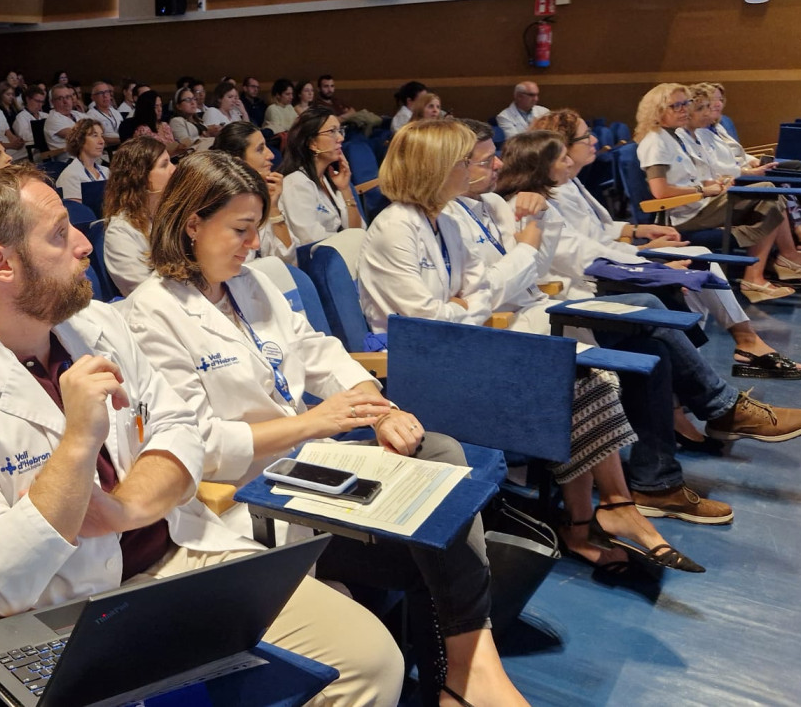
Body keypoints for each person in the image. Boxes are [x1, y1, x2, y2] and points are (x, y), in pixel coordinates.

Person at [0, 165, 405, 705]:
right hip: (68, 615)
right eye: (59, 234)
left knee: (369, 662)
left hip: (182, 557)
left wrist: (125, 510)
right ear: (1, 263)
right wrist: (77, 442)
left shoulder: (97, 325)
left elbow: (180, 431)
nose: (84, 243)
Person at [122, 151, 530, 706]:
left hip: (308, 469)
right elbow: (198, 445)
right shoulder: (150, 312)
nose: (254, 245)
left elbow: (319, 352)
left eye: (258, 229)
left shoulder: (250, 284)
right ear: (192, 223)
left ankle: (469, 665)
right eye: (241, 230)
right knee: (436, 543)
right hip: (247, 497)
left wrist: (380, 410)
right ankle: (465, 676)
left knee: (436, 452)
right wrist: (311, 423)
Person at [361, 120, 801, 526]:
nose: (484, 168)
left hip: (486, 329)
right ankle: (715, 413)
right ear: (439, 168)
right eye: (469, 162)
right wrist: (476, 296)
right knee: (641, 322)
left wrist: (470, 299)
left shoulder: (445, 219)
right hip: (447, 356)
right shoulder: (397, 226)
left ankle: (659, 479)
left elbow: (479, 290)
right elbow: (434, 319)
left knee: (649, 342)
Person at [423, 120, 707, 578]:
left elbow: (519, 275)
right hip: (477, 344)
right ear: (448, 166)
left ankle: (609, 507)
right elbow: (482, 293)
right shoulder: (436, 219)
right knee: (584, 375)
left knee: (628, 353)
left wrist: (533, 224)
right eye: (484, 160)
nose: (498, 165)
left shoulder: (486, 205)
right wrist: (520, 251)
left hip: (518, 318)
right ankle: (606, 510)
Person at [532, 108, 801, 383]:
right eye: (586, 136)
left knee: (700, 259)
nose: (594, 140)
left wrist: (638, 230)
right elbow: (583, 250)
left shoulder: (571, 183)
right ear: (562, 148)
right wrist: (646, 257)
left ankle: (721, 354)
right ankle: (712, 361)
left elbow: (595, 230)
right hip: (594, 275)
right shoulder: (551, 196)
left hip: (614, 257)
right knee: (694, 268)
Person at [635, 83, 801, 301]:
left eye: (686, 103)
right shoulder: (656, 142)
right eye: (676, 106)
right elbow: (660, 192)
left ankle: (759, 276)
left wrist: (717, 184)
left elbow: (695, 175)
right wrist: (703, 190)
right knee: (767, 191)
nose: (684, 109)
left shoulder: (675, 137)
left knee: (770, 199)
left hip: (702, 203)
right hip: (685, 214)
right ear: (657, 110)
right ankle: (769, 270)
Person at [687, 83, 801, 247]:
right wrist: (750, 171)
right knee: (782, 180)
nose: (717, 104)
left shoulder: (717, 127)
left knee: (791, 169)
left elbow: (737, 152)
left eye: (720, 99)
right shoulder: (697, 132)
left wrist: (752, 161)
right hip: (731, 180)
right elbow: (717, 168)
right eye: (711, 102)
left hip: (738, 172)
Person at [212, 121, 295, 264]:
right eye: (260, 149)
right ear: (237, 162)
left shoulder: (266, 196)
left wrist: (273, 208)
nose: (271, 155)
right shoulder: (220, 209)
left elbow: (290, 261)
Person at [101, 137, 176, 296]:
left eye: (170, 162)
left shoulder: (173, 212)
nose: (174, 169)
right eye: (164, 165)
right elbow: (143, 293)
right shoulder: (120, 231)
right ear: (140, 177)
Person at [278, 106, 360, 244]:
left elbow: (358, 231)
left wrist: (345, 189)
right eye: (332, 131)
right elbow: (312, 240)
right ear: (312, 143)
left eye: (340, 130)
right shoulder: (296, 183)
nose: (340, 138)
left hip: (345, 250)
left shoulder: (333, 177)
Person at [53, 120, 108, 203]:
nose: (102, 141)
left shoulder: (106, 171)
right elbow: (76, 209)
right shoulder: (70, 175)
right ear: (80, 140)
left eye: (102, 136)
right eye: (95, 136)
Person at [124, 90, 184, 156]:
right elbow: (143, 155)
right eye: (155, 107)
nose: (160, 109)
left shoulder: (165, 125)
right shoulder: (142, 130)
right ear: (147, 108)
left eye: (160, 105)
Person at [42, 83, 84, 159]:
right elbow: (77, 136)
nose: (65, 101)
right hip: (70, 161)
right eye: (60, 98)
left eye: (68, 97)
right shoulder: (53, 119)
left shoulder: (77, 114)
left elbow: (98, 129)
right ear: (52, 102)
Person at [82, 80, 123, 150]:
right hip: (105, 151)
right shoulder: (91, 115)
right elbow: (98, 138)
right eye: (101, 93)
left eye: (107, 92)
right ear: (93, 97)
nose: (105, 96)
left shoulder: (115, 112)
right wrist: (123, 139)